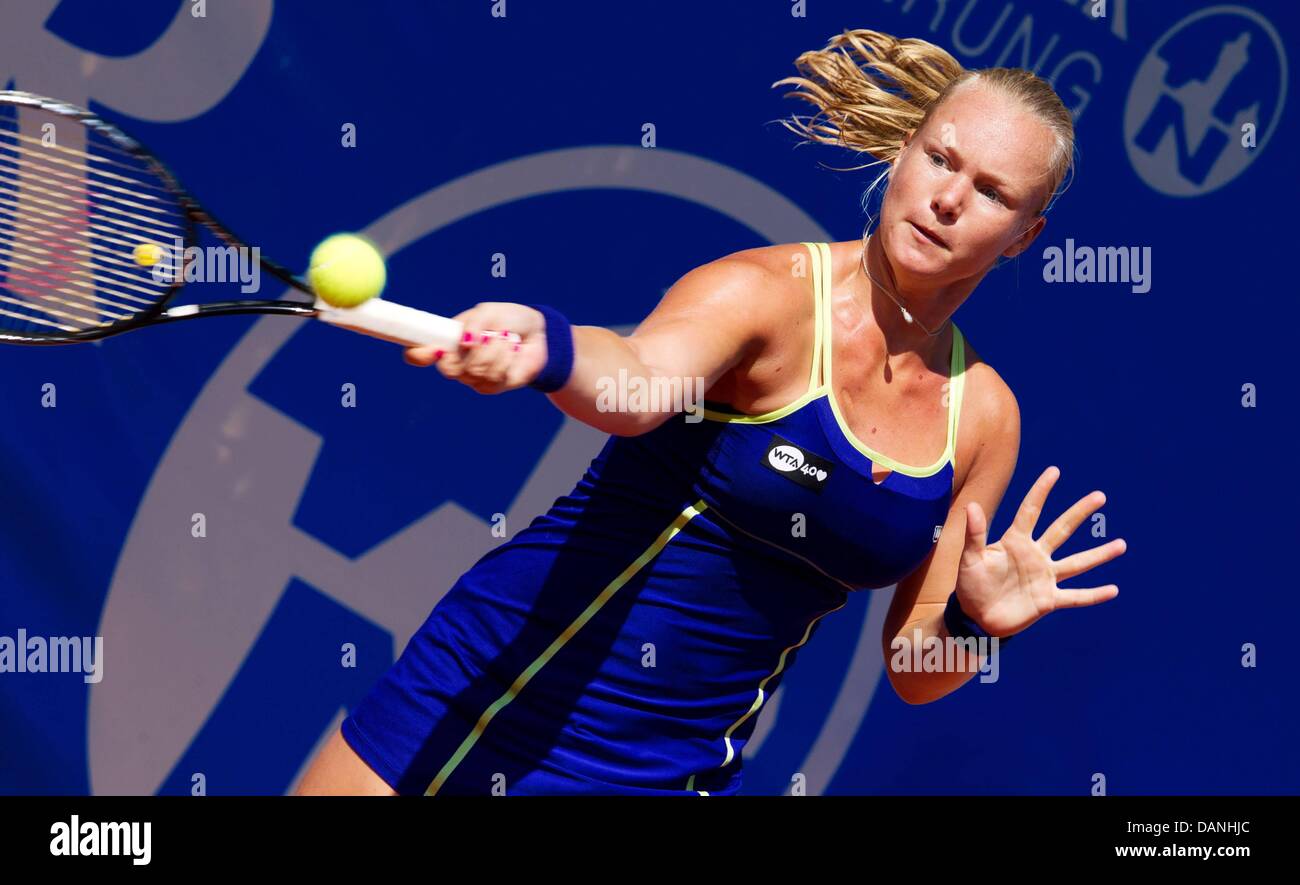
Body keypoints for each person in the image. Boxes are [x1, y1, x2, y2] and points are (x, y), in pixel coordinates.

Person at [296, 29, 1126, 796]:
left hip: (669, 774)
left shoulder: (983, 416)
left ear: (1025, 234)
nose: (948, 198)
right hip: (489, 698)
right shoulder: (764, 295)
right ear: (904, 150)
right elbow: (638, 383)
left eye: (989, 191)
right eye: (941, 158)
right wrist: (548, 345)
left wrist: (978, 624)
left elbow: (915, 667)